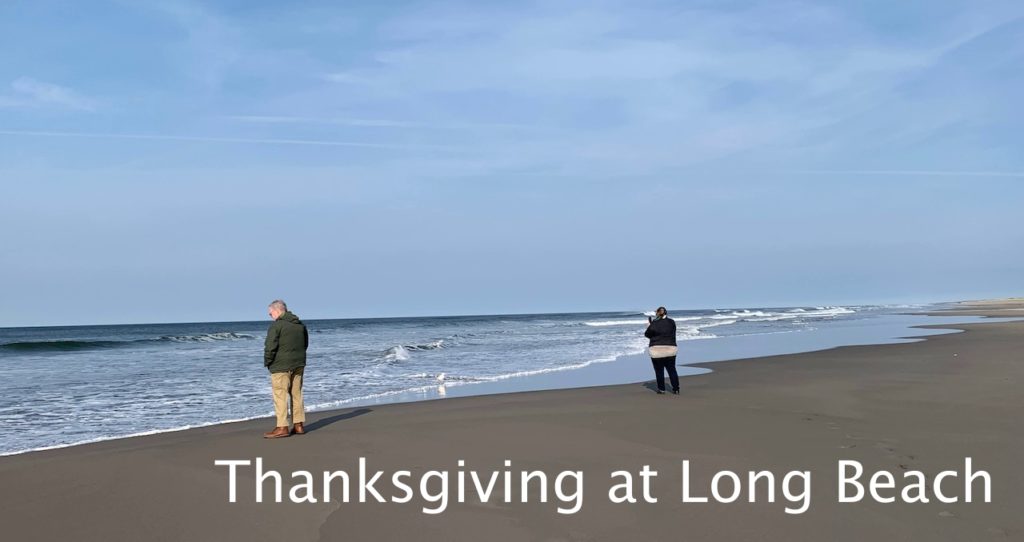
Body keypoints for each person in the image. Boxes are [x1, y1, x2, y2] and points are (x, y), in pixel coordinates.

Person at [263, 299, 309, 438]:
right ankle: (298, 425)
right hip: (299, 363)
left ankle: (282, 427)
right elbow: (305, 344)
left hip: (281, 366)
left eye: (270, 314)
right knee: (296, 394)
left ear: (277, 311)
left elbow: (270, 347)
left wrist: (268, 362)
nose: (270, 316)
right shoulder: (300, 325)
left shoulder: (277, 326)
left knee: (280, 395)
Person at [644, 306, 679, 394]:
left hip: (656, 350)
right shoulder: (671, 322)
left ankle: (661, 389)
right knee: (672, 369)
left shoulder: (654, 324)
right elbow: (672, 332)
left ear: (657, 313)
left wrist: (649, 326)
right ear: (666, 313)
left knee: (659, 371)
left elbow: (647, 335)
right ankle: (676, 389)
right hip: (670, 348)